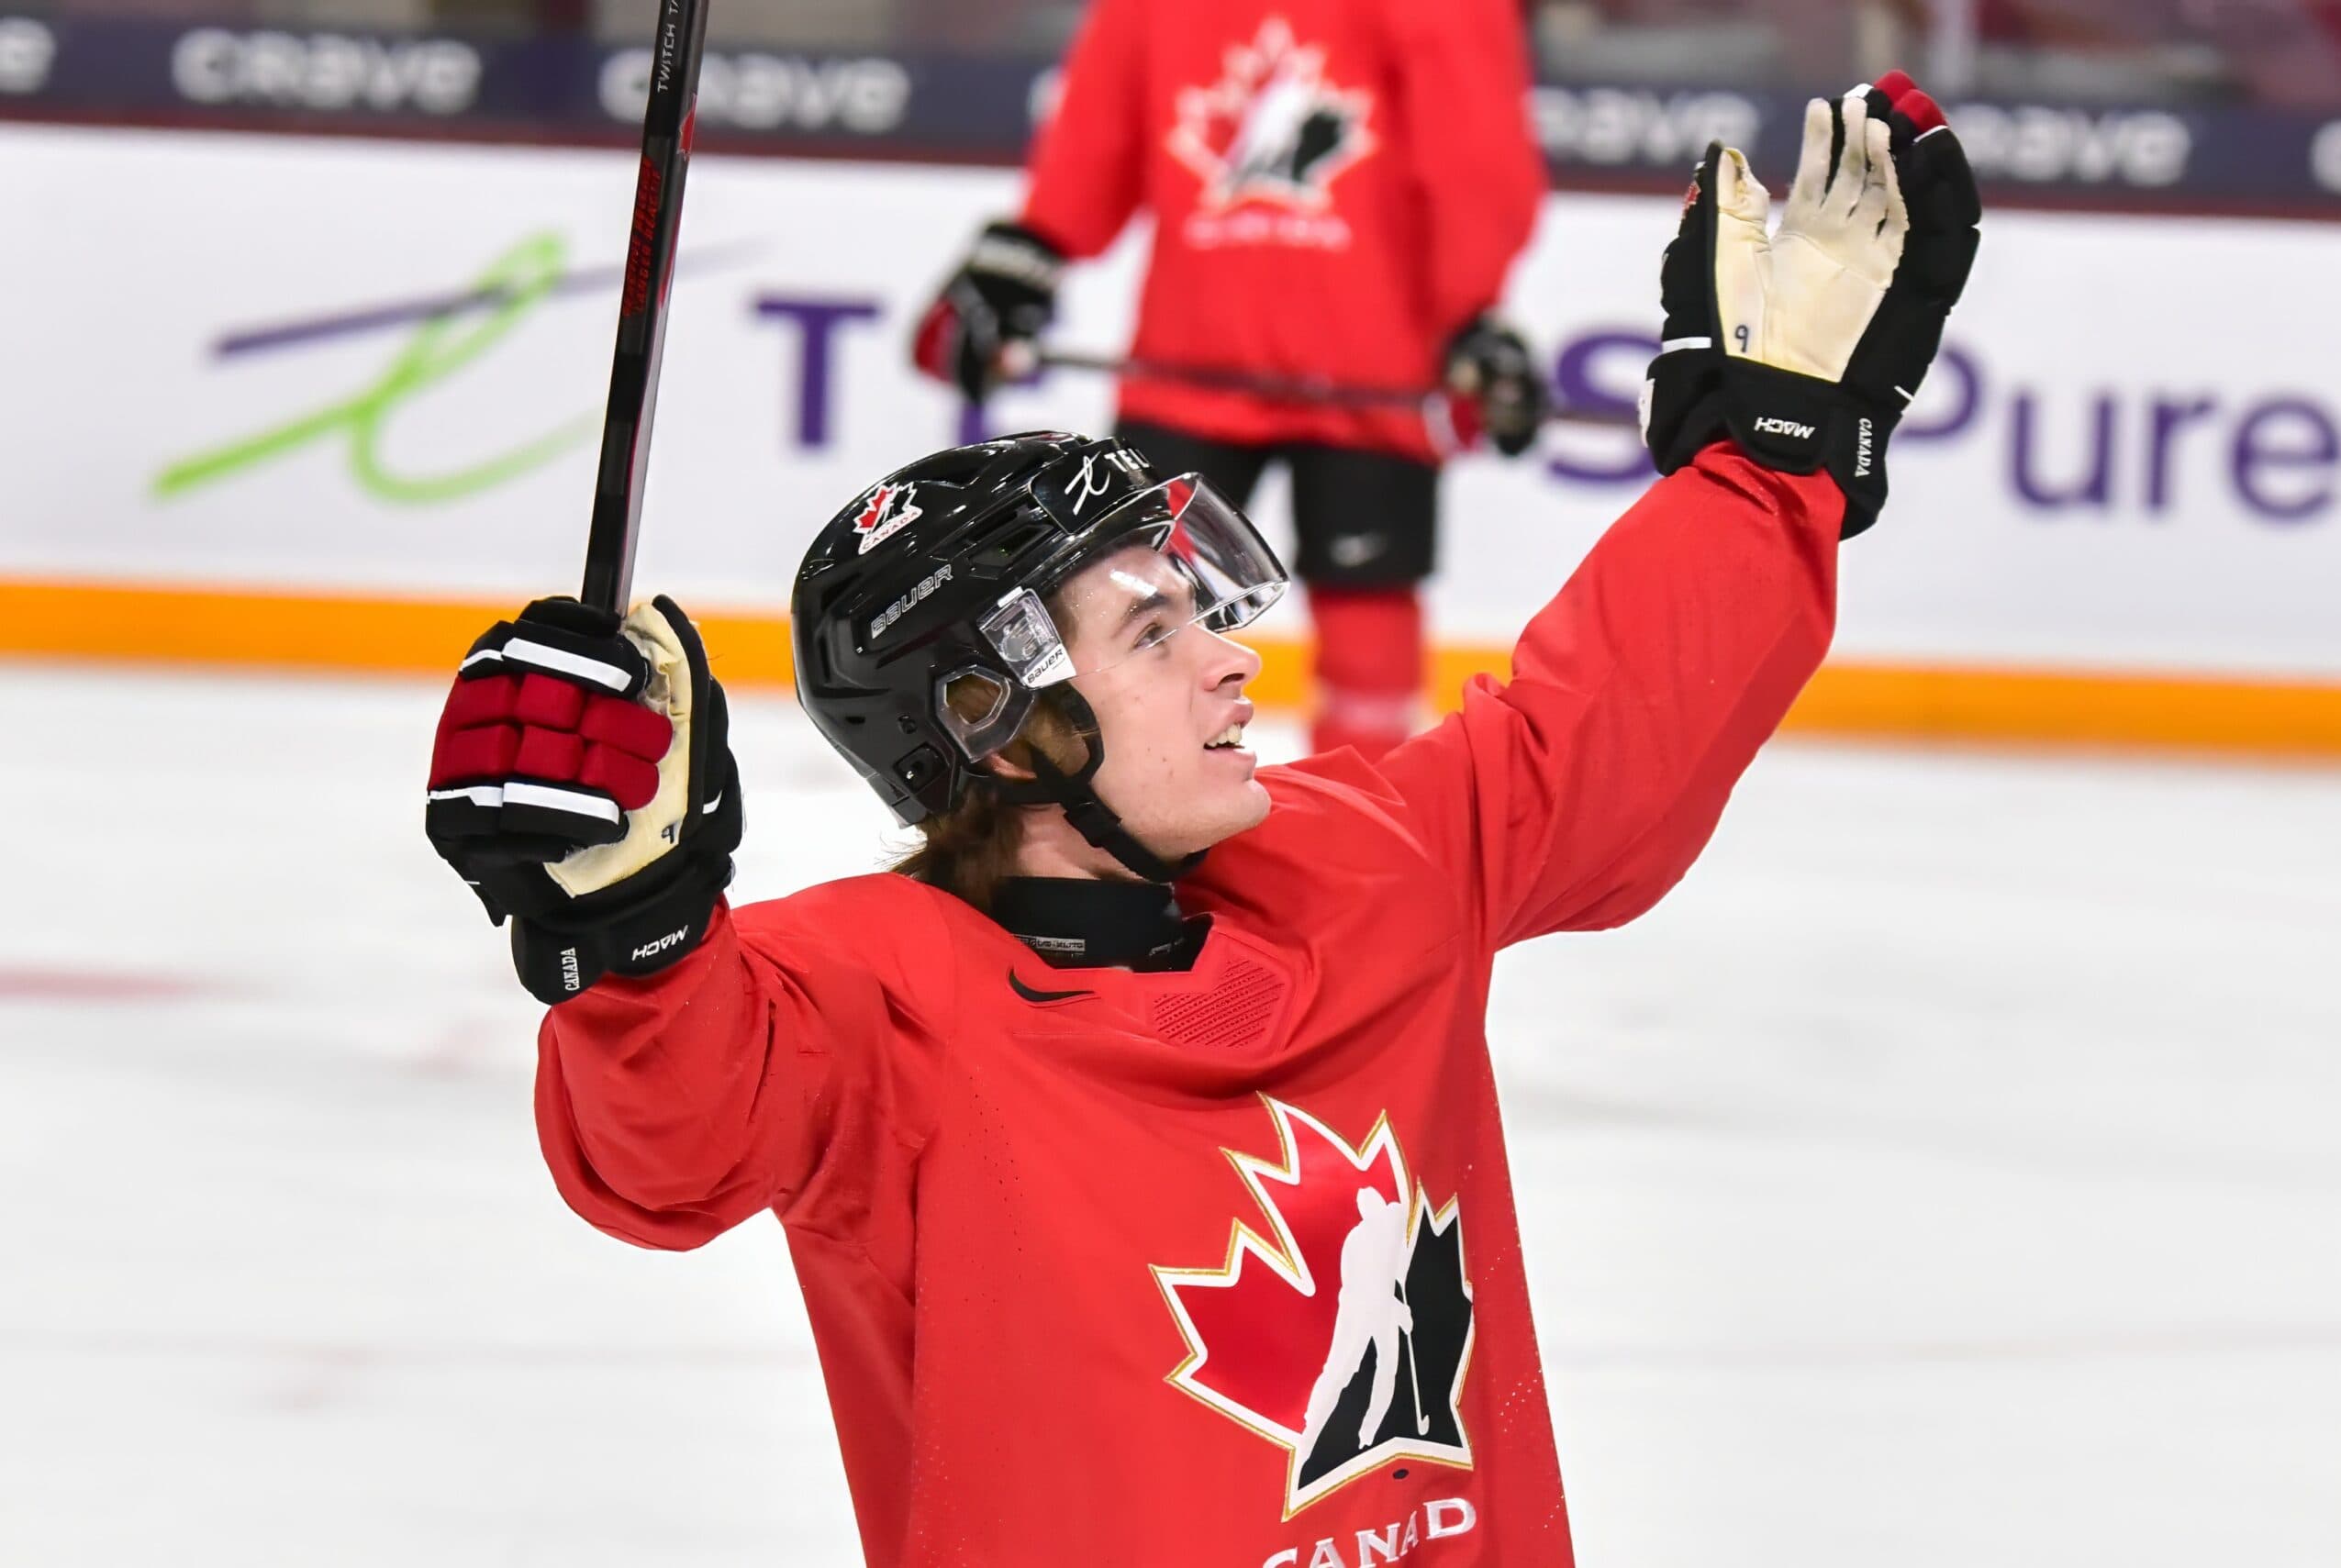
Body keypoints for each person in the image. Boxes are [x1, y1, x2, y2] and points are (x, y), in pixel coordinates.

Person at [425, 76, 1976, 1568]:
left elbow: (1609, 725)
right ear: (995, 716)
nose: (1233, 653)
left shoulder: (1365, 866)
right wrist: (623, 935)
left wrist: (1771, 462)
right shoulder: (869, 997)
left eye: (1203, 606)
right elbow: (674, 1144)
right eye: (1156, 632)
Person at [910, 0, 1554, 760]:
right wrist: (1034, 245)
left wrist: (1470, 310)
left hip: (1356, 372)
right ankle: (1133, 818)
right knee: (1132, 604)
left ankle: (1353, 828)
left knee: (1350, 619)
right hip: (1227, 362)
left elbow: (1472, 155)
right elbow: (1099, 124)